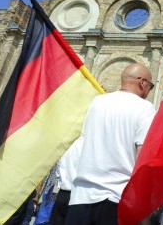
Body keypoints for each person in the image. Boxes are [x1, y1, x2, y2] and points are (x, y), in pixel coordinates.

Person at [65, 63, 156, 225]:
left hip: (80, 197)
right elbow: (142, 159)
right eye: (150, 86)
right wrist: (144, 212)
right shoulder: (145, 108)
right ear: (142, 82)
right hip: (116, 199)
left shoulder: (97, 103)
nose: (149, 91)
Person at [49, 135, 84, 224]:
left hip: (62, 192)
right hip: (77, 194)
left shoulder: (66, 145)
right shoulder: (86, 145)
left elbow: (58, 168)